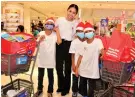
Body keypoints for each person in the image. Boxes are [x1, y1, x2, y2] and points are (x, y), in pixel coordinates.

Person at [55, 4, 79, 96]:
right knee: (59, 68)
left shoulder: (76, 23)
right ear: (67, 10)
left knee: (68, 69)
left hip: (70, 45)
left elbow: (76, 35)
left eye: (74, 13)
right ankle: (60, 86)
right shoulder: (60, 20)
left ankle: (66, 89)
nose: (71, 14)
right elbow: (54, 29)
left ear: (75, 14)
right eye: (70, 11)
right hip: (60, 44)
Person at [75, 22, 104, 97]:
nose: (88, 33)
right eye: (86, 32)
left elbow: (102, 51)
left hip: (93, 71)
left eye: (89, 31)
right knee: (82, 88)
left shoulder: (98, 41)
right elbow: (80, 57)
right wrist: (77, 68)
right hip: (83, 69)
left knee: (91, 89)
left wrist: (103, 55)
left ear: (93, 32)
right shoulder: (83, 43)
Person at [35, 17, 62, 97]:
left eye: (51, 24)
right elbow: (36, 45)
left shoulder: (54, 35)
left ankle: (50, 91)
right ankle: (39, 89)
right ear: (45, 25)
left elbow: (59, 42)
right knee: (40, 76)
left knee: (51, 76)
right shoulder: (41, 33)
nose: (49, 25)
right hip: (41, 59)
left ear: (53, 26)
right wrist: (40, 40)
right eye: (48, 24)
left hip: (50, 59)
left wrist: (57, 31)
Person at [69, 22, 85, 97]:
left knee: (82, 79)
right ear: (76, 33)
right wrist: (73, 64)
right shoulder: (74, 42)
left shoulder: (86, 41)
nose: (80, 33)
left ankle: (81, 91)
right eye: (78, 32)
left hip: (84, 64)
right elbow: (72, 54)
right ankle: (74, 91)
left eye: (81, 31)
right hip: (75, 63)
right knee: (75, 79)